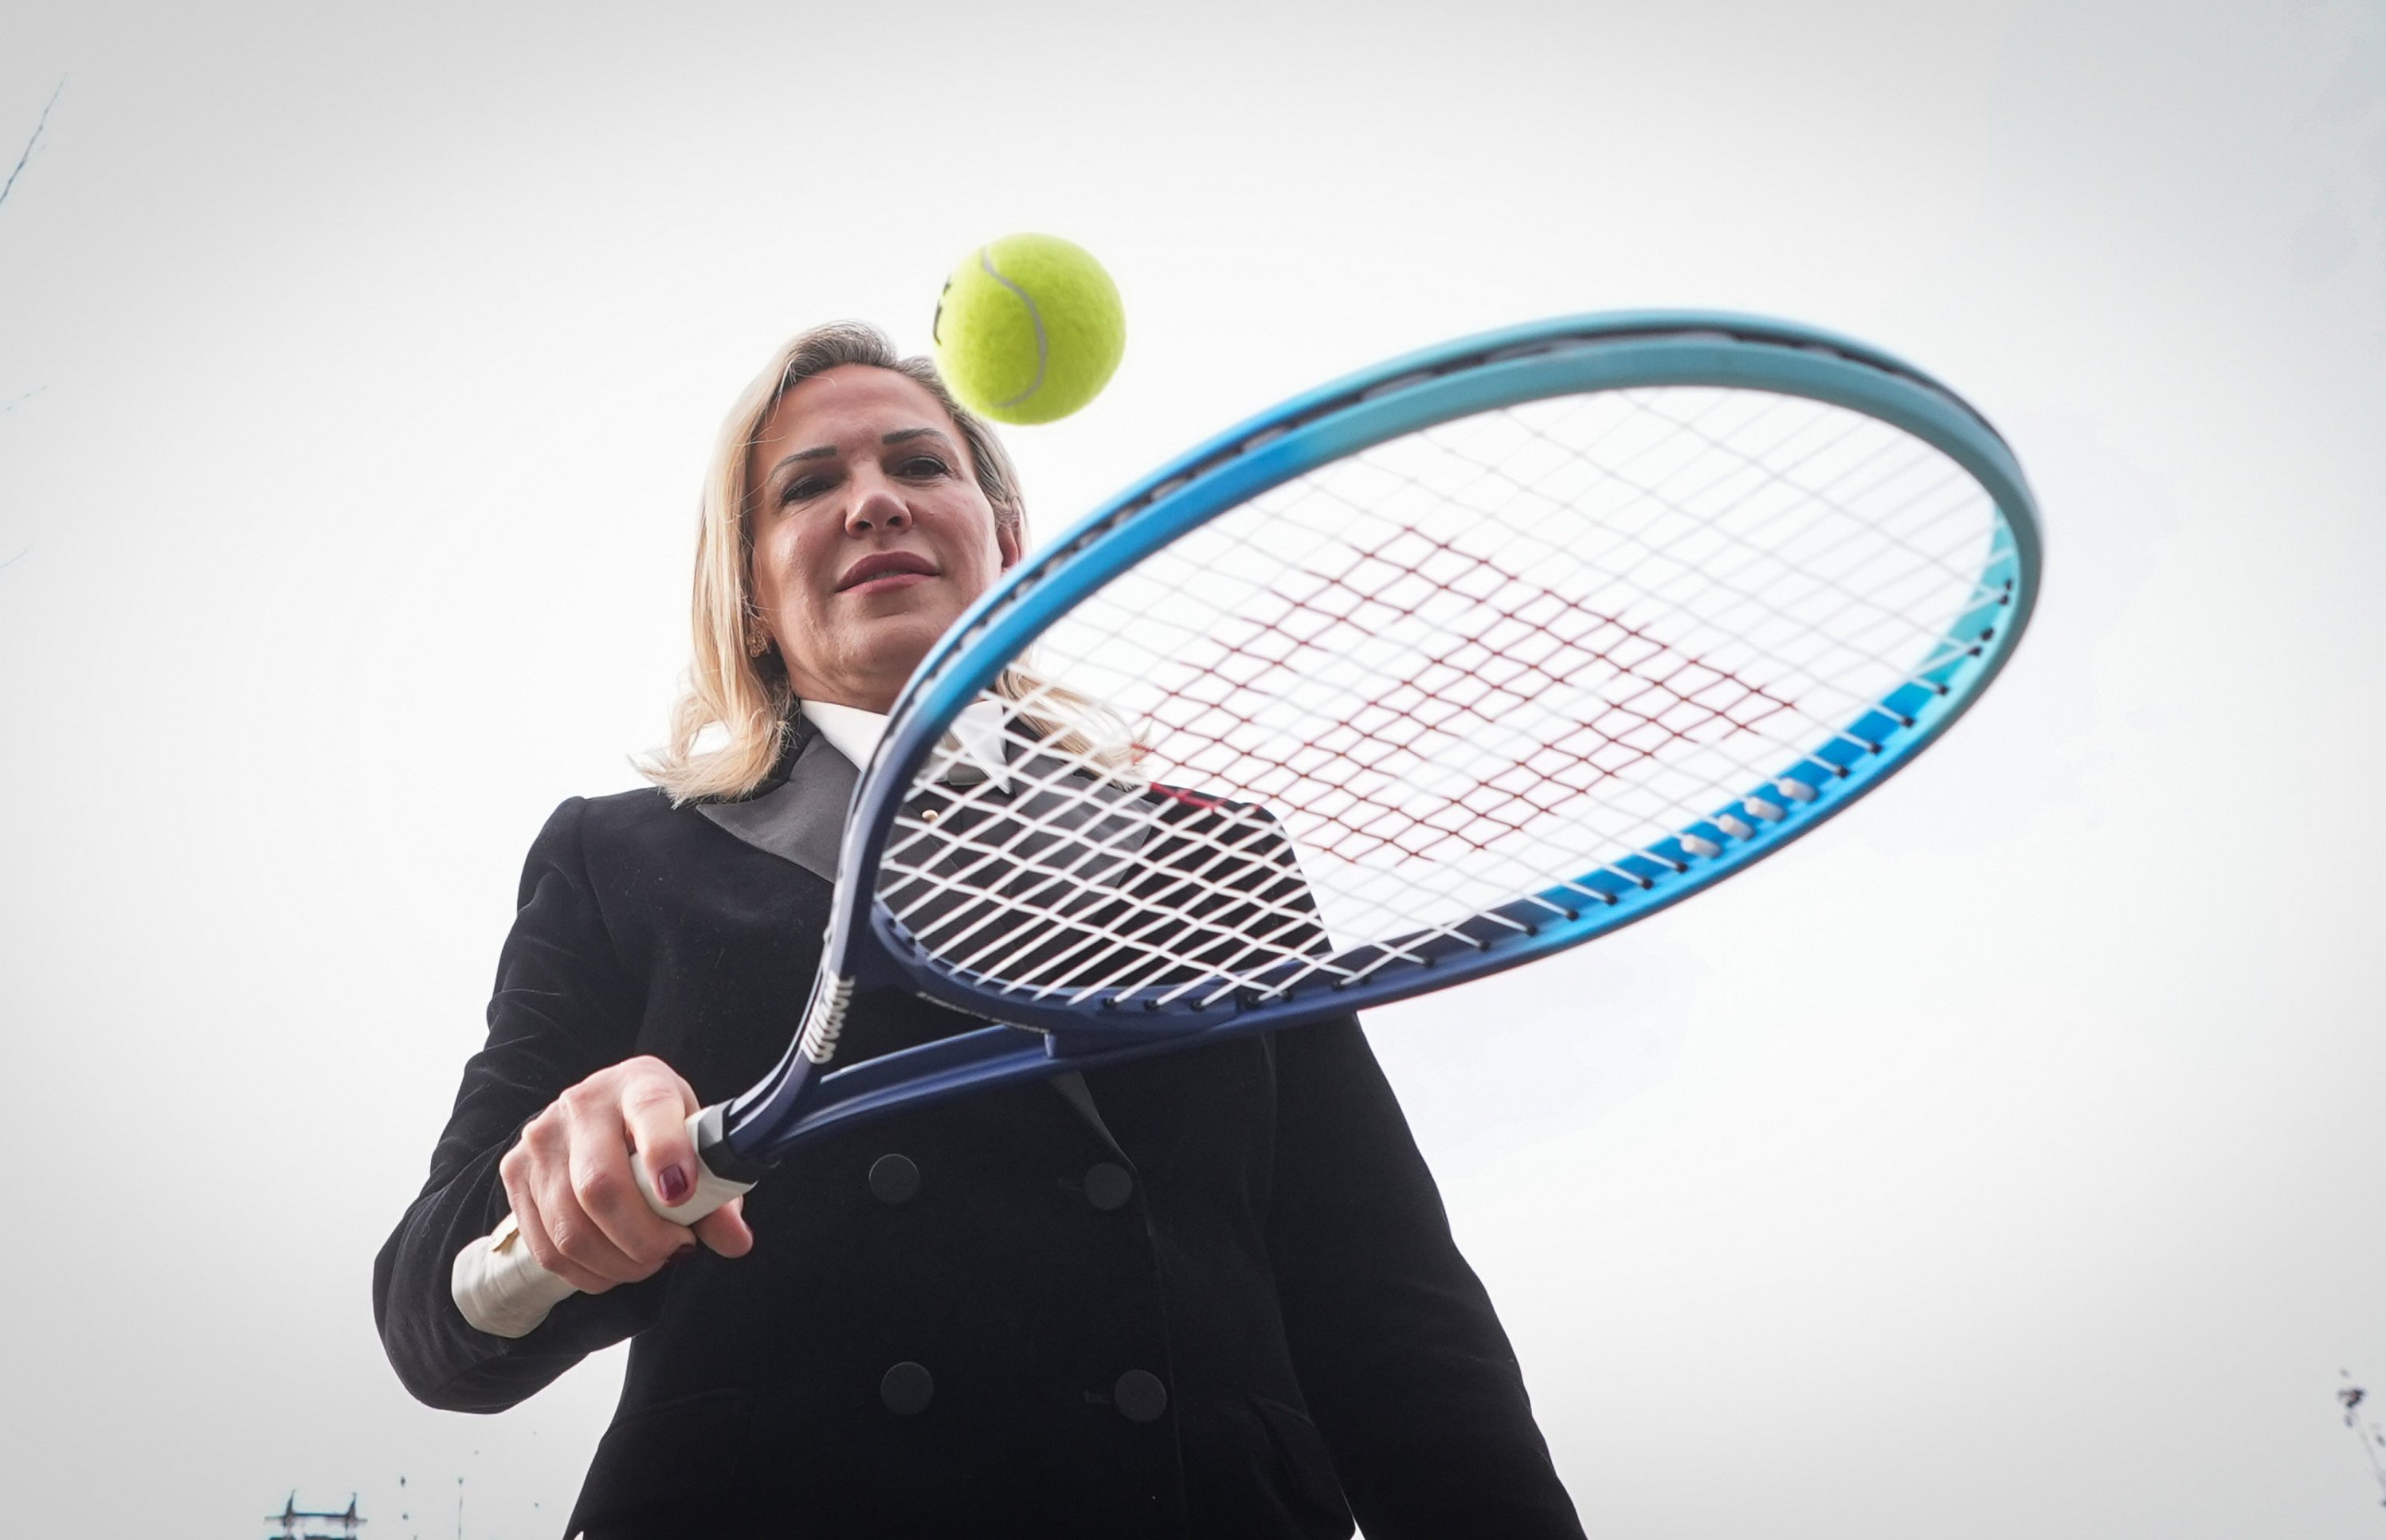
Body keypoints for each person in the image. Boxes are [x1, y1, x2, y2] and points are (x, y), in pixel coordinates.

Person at [374, 322, 1586, 1540]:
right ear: (750, 595)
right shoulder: (618, 858)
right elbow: (432, 1313)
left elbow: (1390, 1315)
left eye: (919, 464)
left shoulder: (1218, 856)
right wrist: (562, 1210)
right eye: (809, 485)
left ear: (1005, 544)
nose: (874, 502)